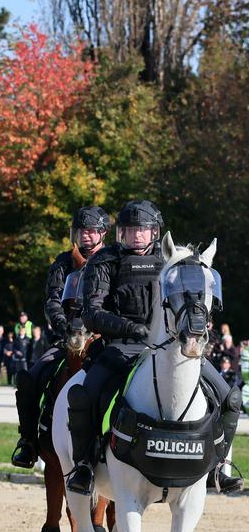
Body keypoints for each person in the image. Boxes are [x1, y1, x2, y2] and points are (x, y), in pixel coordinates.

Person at [63, 200, 242, 494]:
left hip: (172, 346)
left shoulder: (171, 261)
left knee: (231, 399)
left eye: (142, 230)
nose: (136, 236)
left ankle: (219, 467)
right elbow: (91, 312)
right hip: (121, 347)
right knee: (84, 396)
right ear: (120, 233)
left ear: (155, 232)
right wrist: (129, 327)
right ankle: (83, 466)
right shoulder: (105, 261)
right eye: (130, 230)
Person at [11, 206, 109, 467]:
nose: (85, 236)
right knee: (30, 378)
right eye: (81, 231)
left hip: (106, 338)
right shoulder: (63, 263)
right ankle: (28, 442)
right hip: (68, 337)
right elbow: (53, 301)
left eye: (90, 231)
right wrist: (65, 327)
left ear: (103, 233)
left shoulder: (115, 260)